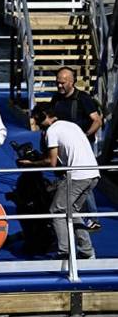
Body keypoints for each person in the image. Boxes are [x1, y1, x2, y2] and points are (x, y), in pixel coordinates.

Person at [18, 103, 100, 259]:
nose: (38, 125)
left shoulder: (52, 131)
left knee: (56, 211)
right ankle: (87, 251)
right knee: (73, 211)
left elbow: (51, 162)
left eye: (37, 120)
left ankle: (64, 252)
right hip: (93, 174)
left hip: (77, 175)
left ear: (44, 116)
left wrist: (31, 164)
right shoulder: (70, 125)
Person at [49, 67, 102, 230]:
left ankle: (92, 217)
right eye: (57, 83)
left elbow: (97, 120)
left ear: (71, 82)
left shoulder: (83, 99)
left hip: (82, 147)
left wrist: (84, 136)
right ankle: (71, 209)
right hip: (63, 146)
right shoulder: (56, 98)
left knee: (83, 178)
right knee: (65, 179)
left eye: (62, 83)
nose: (59, 86)